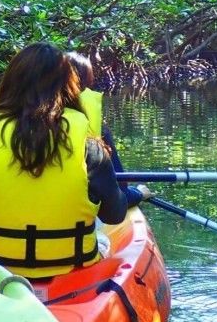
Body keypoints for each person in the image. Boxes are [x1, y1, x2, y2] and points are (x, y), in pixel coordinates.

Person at [0, 42, 128, 279]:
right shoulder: (86, 137)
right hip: (72, 268)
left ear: (11, 82)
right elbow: (114, 215)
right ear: (68, 84)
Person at [65, 51, 153, 206]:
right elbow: (119, 196)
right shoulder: (94, 133)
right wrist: (139, 194)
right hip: (82, 214)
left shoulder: (25, 126)